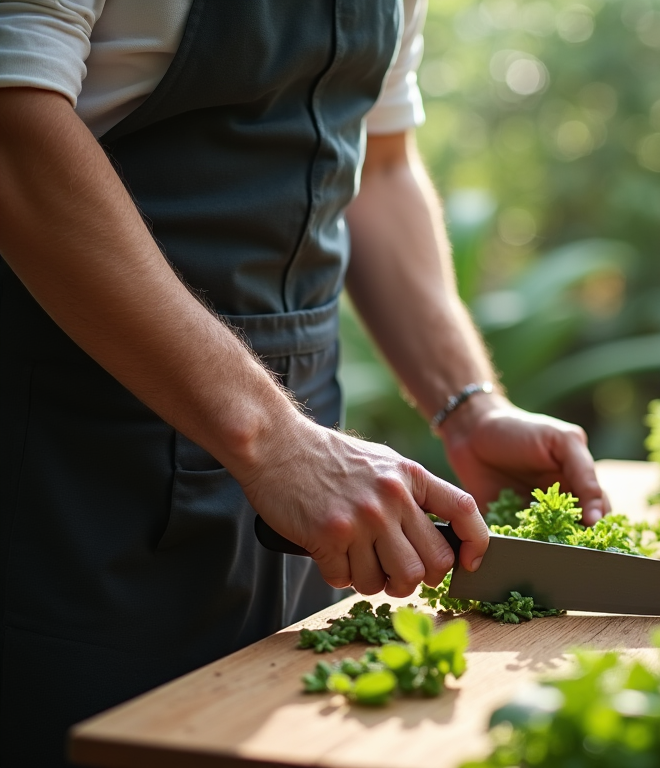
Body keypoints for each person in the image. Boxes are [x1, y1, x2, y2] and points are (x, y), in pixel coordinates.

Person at [0, 1, 610, 763]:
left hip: (308, 484)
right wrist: (274, 441)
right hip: (72, 468)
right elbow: (15, 127)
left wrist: (466, 404)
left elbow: (380, 163)